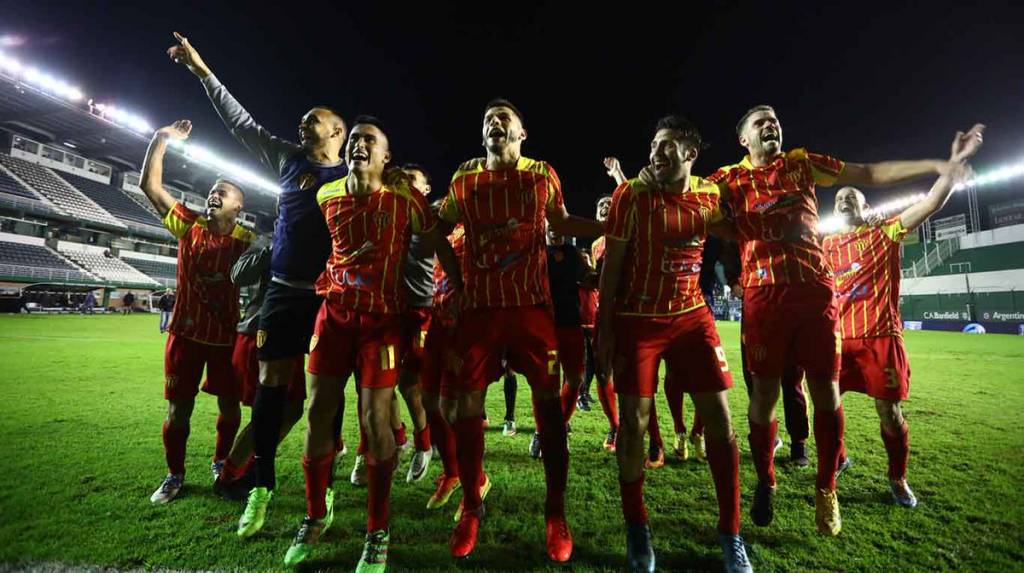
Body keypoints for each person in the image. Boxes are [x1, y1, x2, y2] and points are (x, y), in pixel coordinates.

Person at [168, 32, 349, 533]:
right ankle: (258, 484)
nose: (303, 123)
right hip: (282, 294)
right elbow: (241, 124)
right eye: (303, 119)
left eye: (313, 119)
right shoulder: (289, 160)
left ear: (337, 131)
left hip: (327, 298)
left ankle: (325, 488)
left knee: (326, 395)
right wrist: (203, 71)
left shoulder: (353, 178)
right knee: (272, 391)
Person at [441, 99, 602, 562]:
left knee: (549, 409)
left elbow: (562, 222)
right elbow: (437, 231)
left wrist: (610, 225)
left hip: (531, 311)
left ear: (522, 133)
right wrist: (457, 283)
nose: (495, 122)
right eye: (487, 119)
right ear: (482, 134)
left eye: (504, 118)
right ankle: (472, 505)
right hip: (480, 312)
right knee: (466, 407)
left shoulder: (542, 174)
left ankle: (556, 513)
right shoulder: (465, 179)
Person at [597, 116, 749, 572]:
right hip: (638, 319)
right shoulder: (630, 195)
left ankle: (731, 533)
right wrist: (604, 334)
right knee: (634, 425)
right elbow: (611, 268)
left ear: (689, 154)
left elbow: (737, 229)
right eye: (652, 145)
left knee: (720, 420)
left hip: (691, 317)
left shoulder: (709, 195)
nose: (655, 152)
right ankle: (637, 528)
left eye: (665, 145)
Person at [823, 125, 983, 507]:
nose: (844, 201)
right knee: (826, 405)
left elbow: (930, 204)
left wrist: (953, 166)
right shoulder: (826, 245)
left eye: (852, 196)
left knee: (889, 412)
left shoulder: (885, 233)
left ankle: (897, 477)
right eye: (839, 198)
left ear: (866, 207)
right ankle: (839, 457)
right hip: (838, 340)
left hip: (880, 337)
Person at [140, 119, 254, 505]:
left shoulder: (249, 242)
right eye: (211, 191)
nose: (213, 195)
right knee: (178, 410)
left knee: (230, 409)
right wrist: (161, 138)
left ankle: (222, 463)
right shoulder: (188, 225)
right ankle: (174, 474)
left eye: (222, 192)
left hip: (226, 338)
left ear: (238, 205)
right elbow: (150, 187)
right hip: (185, 336)